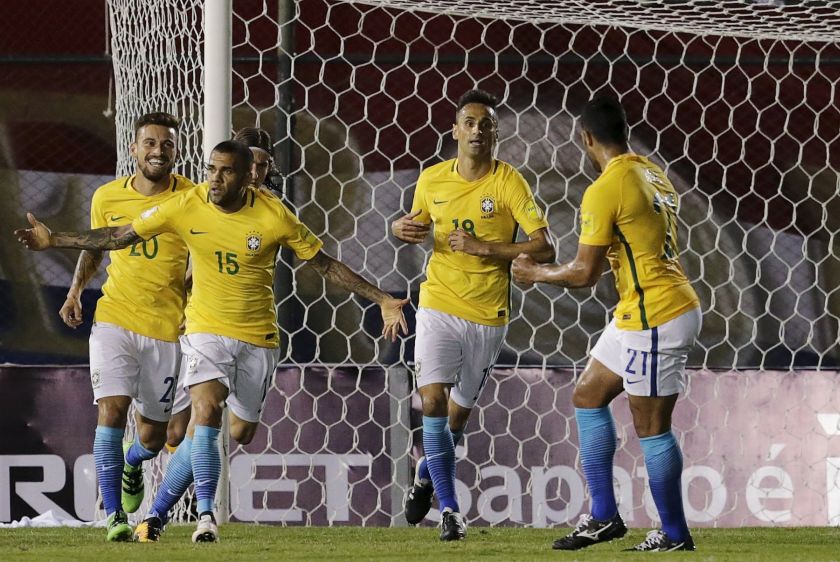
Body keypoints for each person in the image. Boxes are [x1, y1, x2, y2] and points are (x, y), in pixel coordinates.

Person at [15, 140, 409, 543]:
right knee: (205, 413)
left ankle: (151, 497)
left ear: (246, 176)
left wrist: (381, 299)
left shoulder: (275, 216)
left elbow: (324, 265)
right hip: (203, 331)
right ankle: (201, 517)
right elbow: (120, 235)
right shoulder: (188, 203)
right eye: (211, 169)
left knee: (239, 432)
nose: (215, 179)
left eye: (226, 172)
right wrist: (55, 240)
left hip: (257, 337)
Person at [512, 96, 701, 552]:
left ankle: (675, 535)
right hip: (640, 309)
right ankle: (603, 517)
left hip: (656, 316)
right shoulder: (650, 171)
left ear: (586, 138)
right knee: (588, 394)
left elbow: (583, 273)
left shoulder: (606, 188)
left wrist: (535, 274)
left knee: (650, 426)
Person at [391, 89, 554, 541]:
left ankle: (426, 474)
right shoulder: (432, 179)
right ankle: (450, 511)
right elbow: (415, 223)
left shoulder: (509, 183)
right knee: (433, 404)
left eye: (486, 124)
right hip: (439, 304)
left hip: (488, 315)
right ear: (456, 130)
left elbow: (544, 246)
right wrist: (399, 228)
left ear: (496, 133)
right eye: (470, 122)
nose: (477, 130)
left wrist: (488, 248)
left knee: (456, 420)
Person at [52, 112, 195, 541]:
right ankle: (113, 516)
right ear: (133, 149)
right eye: (149, 143)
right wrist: (76, 290)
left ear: (176, 150)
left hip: (167, 327)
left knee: (154, 436)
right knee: (111, 410)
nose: (157, 150)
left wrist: (194, 290)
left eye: (166, 144)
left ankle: (134, 462)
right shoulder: (107, 196)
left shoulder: (192, 196)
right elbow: (97, 246)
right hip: (115, 318)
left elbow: (204, 251)